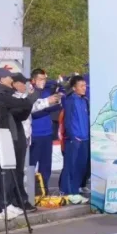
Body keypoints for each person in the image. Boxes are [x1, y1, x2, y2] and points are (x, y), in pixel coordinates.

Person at [0, 68, 41, 217]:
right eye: (9, 77)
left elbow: (21, 112)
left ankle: (5, 204)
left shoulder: (3, 94)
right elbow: (23, 103)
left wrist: (26, 103)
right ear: (1, 79)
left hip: (8, 134)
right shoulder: (0, 95)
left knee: (9, 173)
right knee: (4, 174)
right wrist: (33, 95)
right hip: (2, 136)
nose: (12, 80)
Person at [29, 69, 63, 195]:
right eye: (40, 79)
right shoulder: (30, 92)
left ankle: (44, 190)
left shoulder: (47, 92)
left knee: (46, 165)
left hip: (47, 134)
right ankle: (30, 190)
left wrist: (56, 101)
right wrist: (47, 105)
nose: (43, 82)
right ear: (33, 80)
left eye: (44, 79)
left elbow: (56, 107)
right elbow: (32, 111)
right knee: (31, 164)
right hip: (34, 134)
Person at [59, 75, 90, 204]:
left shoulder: (84, 100)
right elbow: (67, 120)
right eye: (81, 86)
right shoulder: (70, 100)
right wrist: (72, 136)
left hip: (85, 138)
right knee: (70, 166)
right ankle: (67, 192)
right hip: (74, 139)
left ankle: (75, 191)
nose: (84, 88)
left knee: (81, 166)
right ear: (74, 88)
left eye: (85, 85)